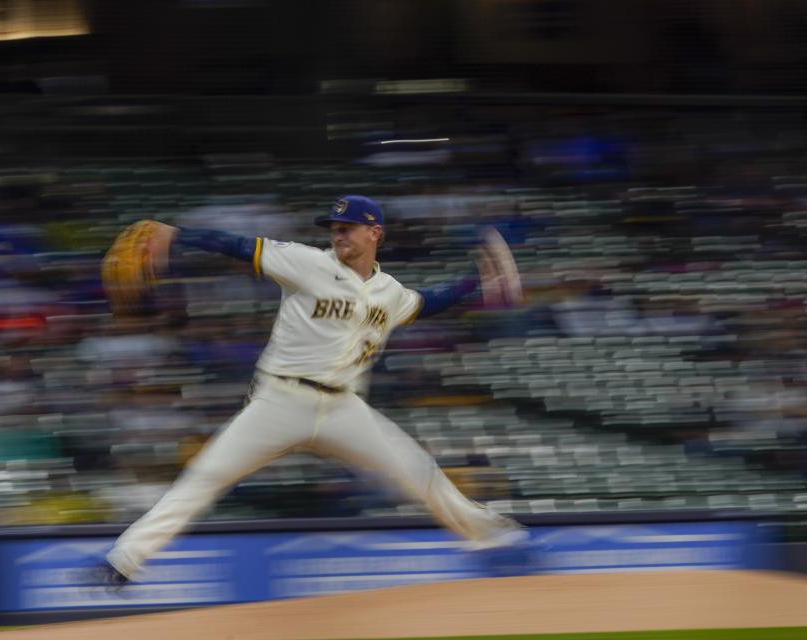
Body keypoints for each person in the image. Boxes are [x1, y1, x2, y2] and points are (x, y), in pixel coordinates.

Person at [97, 195, 527, 589]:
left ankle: (491, 535)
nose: (337, 233)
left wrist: (474, 279)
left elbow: (429, 302)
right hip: (280, 401)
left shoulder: (389, 292)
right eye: (334, 227)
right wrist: (177, 234)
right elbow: (236, 245)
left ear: (374, 233)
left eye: (347, 227)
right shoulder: (306, 262)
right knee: (207, 476)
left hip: (344, 408)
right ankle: (123, 561)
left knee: (418, 472)